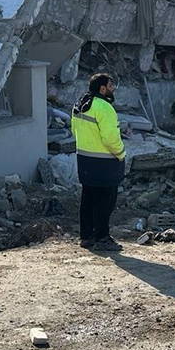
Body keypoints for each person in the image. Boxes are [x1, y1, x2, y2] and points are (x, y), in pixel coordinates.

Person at [72, 73, 127, 251]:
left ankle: (87, 237)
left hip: (85, 160)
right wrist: (120, 153)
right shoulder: (105, 108)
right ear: (102, 88)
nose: (113, 90)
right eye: (111, 86)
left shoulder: (80, 104)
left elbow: (74, 130)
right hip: (105, 163)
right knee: (106, 201)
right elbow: (111, 138)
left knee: (88, 199)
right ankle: (102, 237)